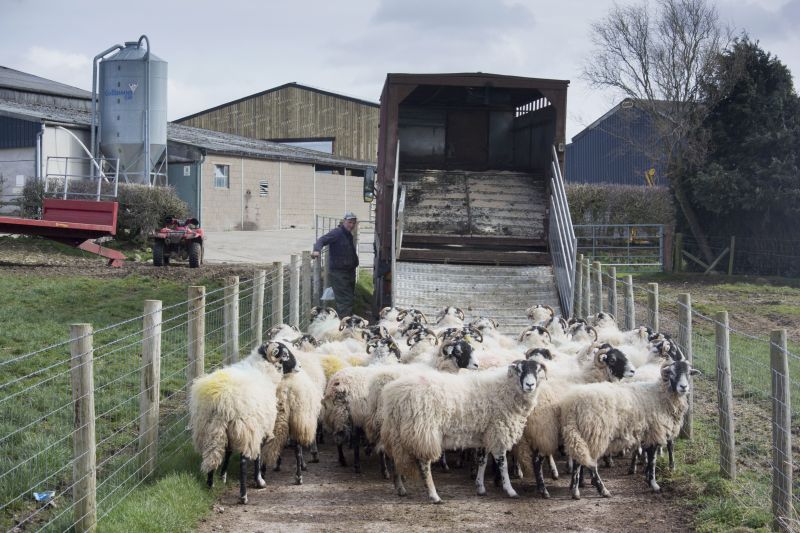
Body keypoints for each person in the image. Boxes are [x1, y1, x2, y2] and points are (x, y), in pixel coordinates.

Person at [311, 212, 359, 317]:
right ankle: (342, 325)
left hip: (349, 271)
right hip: (339, 273)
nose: (351, 225)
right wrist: (316, 250)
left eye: (353, 223)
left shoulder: (348, 234)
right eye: (349, 222)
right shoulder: (337, 233)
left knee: (349, 298)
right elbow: (322, 240)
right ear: (344, 221)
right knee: (344, 300)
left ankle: (346, 320)